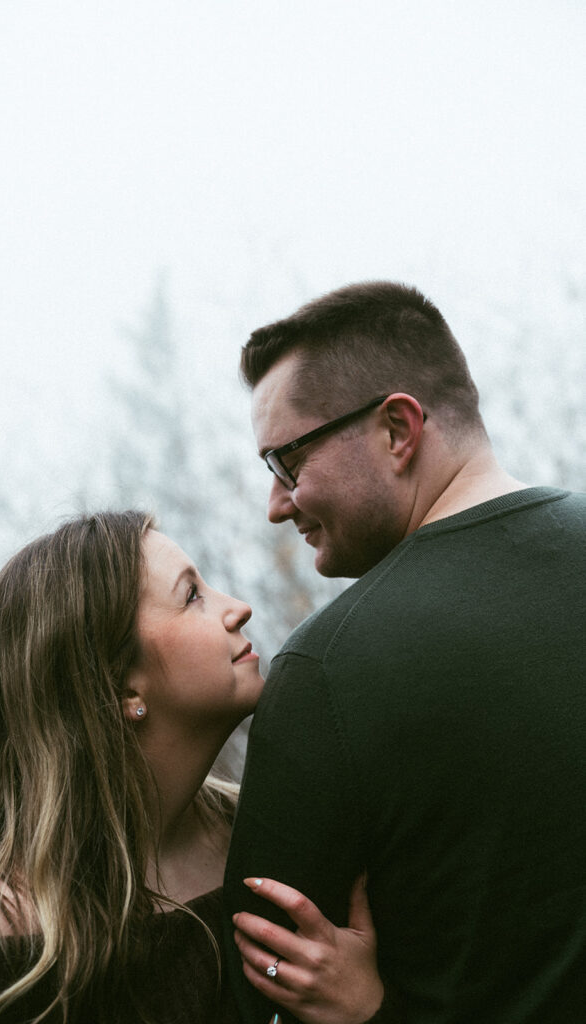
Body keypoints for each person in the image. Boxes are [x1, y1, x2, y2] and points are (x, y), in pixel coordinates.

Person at [223, 281, 586, 1023]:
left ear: (396, 429)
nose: (276, 503)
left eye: (286, 462)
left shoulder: (325, 674)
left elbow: (252, 992)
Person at [0, 510, 383, 1024]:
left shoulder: (279, 839)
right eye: (192, 595)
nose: (239, 609)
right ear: (120, 685)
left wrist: (366, 1009)